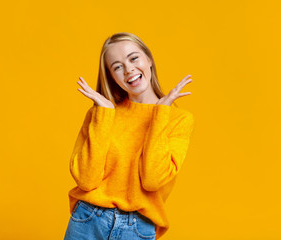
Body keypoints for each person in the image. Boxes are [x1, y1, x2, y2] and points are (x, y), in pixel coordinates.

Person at [63, 32, 195, 240]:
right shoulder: (101, 114)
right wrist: (104, 114)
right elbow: (87, 181)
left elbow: (152, 180)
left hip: (136, 229)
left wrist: (160, 115)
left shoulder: (178, 119)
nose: (128, 69)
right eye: (117, 66)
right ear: (111, 77)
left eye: (133, 58)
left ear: (148, 59)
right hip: (88, 220)